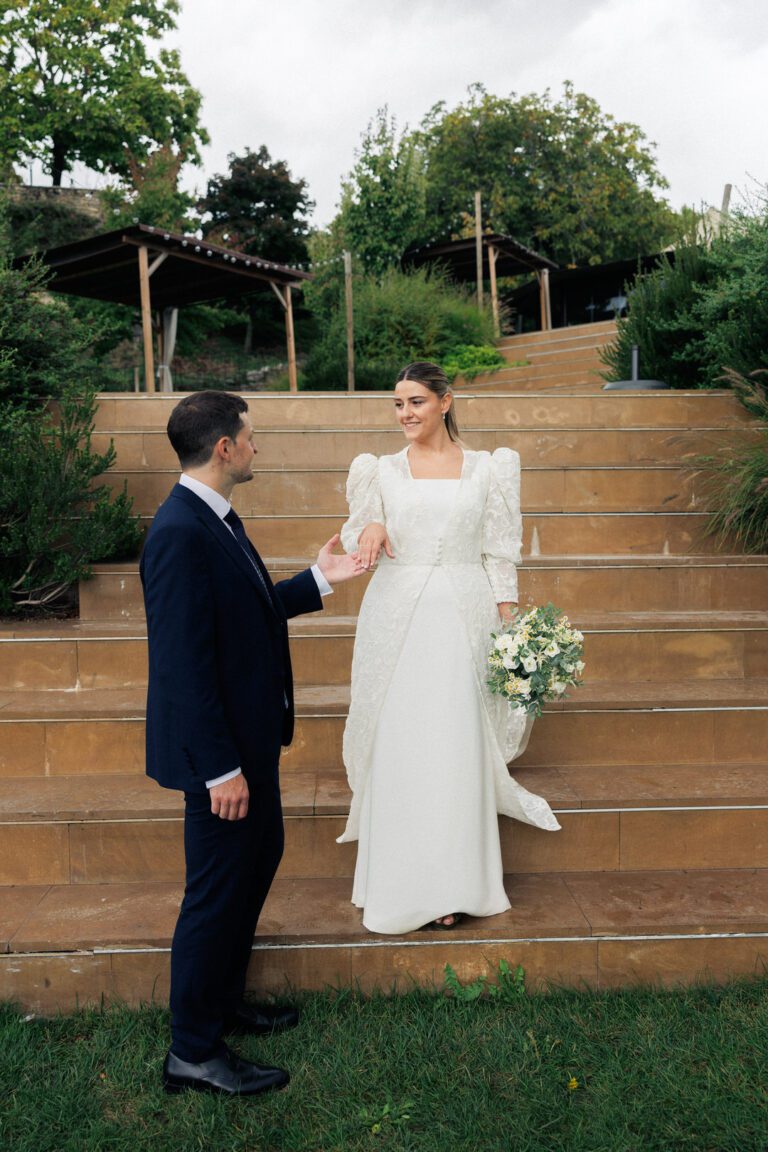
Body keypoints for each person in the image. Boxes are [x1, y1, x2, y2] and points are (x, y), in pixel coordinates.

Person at [141, 391, 363, 1096]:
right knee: (213, 893)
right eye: (250, 437)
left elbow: (246, 612)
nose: (256, 447)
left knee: (257, 859)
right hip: (222, 758)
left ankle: (222, 1001)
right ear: (224, 449)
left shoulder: (215, 517)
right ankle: (192, 1052)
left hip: (250, 741)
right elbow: (183, 666)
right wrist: (221, 770)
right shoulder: (179, 530)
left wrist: (323, 578)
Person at [338, 361, 560, 935]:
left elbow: (498, 551)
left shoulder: (490, 468)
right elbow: (356, 530)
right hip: (397, 616)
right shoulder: (379, 471)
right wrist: (369, 531)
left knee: (453, 744)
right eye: (397, 403)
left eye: (414, 401)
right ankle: (397, 884)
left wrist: (511, 623)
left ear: (445, 401)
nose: (404, 413)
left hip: (465, 614)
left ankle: (457, 884)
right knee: (404, 744)